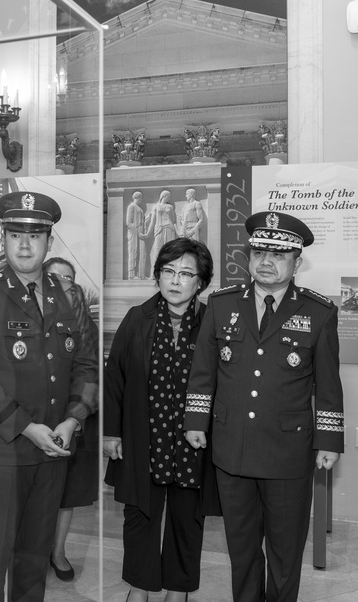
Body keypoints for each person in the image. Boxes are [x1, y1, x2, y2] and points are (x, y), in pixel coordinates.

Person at [184, 211, 344, 602]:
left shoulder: (318, 312)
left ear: (296, 261)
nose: (266, 262)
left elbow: (328, 383)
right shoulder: (221, 305)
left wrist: (330, 440)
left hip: (287, 452)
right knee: (242, 551)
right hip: (232, 448)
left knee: (285, 552)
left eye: (278, 254)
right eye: (259, 252)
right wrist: (195, 421)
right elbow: (203, 372)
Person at [0, 191, 97, 602]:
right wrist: (27, 427)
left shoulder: (70, 297)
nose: (24, 244)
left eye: (34, 236)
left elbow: (88, 367)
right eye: (15, 234)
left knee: (35, 555)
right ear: (3, 238)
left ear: (49, 242)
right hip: (5, 449)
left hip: (54, 445)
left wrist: (72, 420)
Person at [103, 238, 216, 602]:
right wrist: (111, 432)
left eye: (186, 273)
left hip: (192, 442)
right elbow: (115, 377)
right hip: (143, 438)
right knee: (140, 517)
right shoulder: (138, 318)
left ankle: (178, 591)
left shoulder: (212, 323)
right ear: (157, 276)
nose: (175, 280)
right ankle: (140, 587)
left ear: (200, 281)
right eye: (168, 271)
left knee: (188, 520)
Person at [44, 256, 99, 582]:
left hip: (74, 423)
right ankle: (32, 552)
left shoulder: (84, 323)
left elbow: (94, 374)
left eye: (68, 278)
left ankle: (58, 551)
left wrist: (76, 416)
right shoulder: (25, 317)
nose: (62, 284)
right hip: (34, 424)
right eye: (55, 278)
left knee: (67, 494)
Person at [144, 190, 177, 270]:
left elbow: (173, 221)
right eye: (167, 196)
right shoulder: (156, 206)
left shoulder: (170, 207)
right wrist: (148, 233)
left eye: (169, 197)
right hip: (159, 229)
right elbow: (152, 222)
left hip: (169, 228)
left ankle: (170, 271)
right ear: (163, 196)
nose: (168, 198)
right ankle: (155, 272)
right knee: (157, 250)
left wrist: (178, 231)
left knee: (170, 251)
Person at [126, 191, 148, 279]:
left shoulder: (139, 208)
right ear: (137, 198)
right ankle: (131, 275)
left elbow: (141, 221)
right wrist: (137, 232)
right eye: (141, 198)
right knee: (133, 252)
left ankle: (141, 275)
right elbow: (128, 222)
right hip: (134, 233)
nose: (141, 200)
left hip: (140, 233)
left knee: (142, 253)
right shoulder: (131, 206)